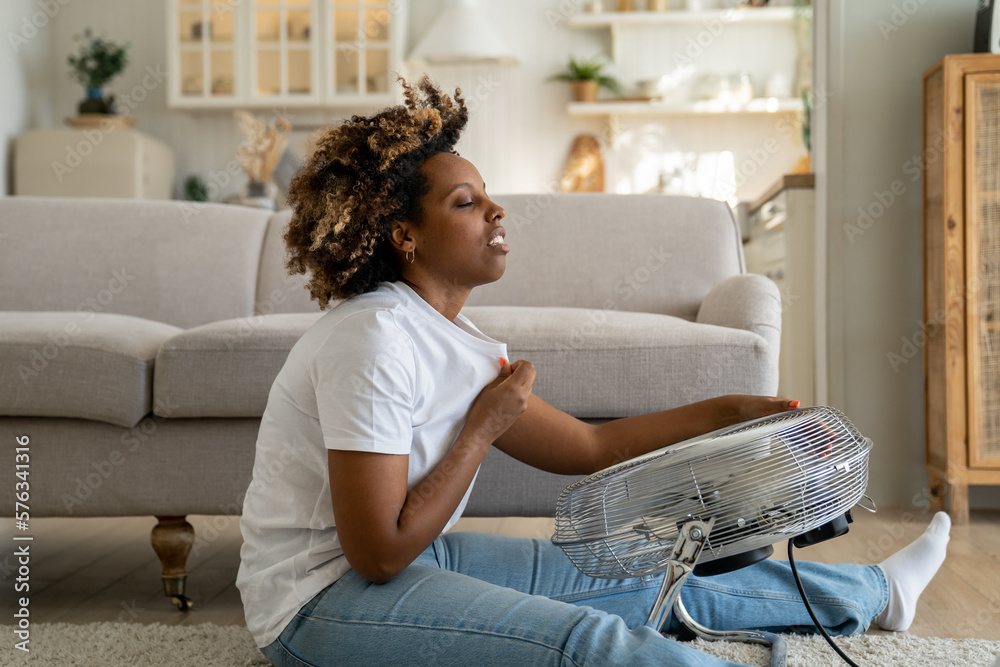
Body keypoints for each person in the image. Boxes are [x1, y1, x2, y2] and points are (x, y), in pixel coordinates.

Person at [237, 77, 950, 666]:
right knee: (593, 644)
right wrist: (481, 430)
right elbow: (379, 551)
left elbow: (588, 446)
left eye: (486, 193)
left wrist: (729, 412)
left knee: (637, 579)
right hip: (319, 603)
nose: (496, 209)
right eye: (465, 202)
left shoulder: (451, 339)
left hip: (413, 564)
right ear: (404, 236)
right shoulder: (373, 340)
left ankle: (875, 591)